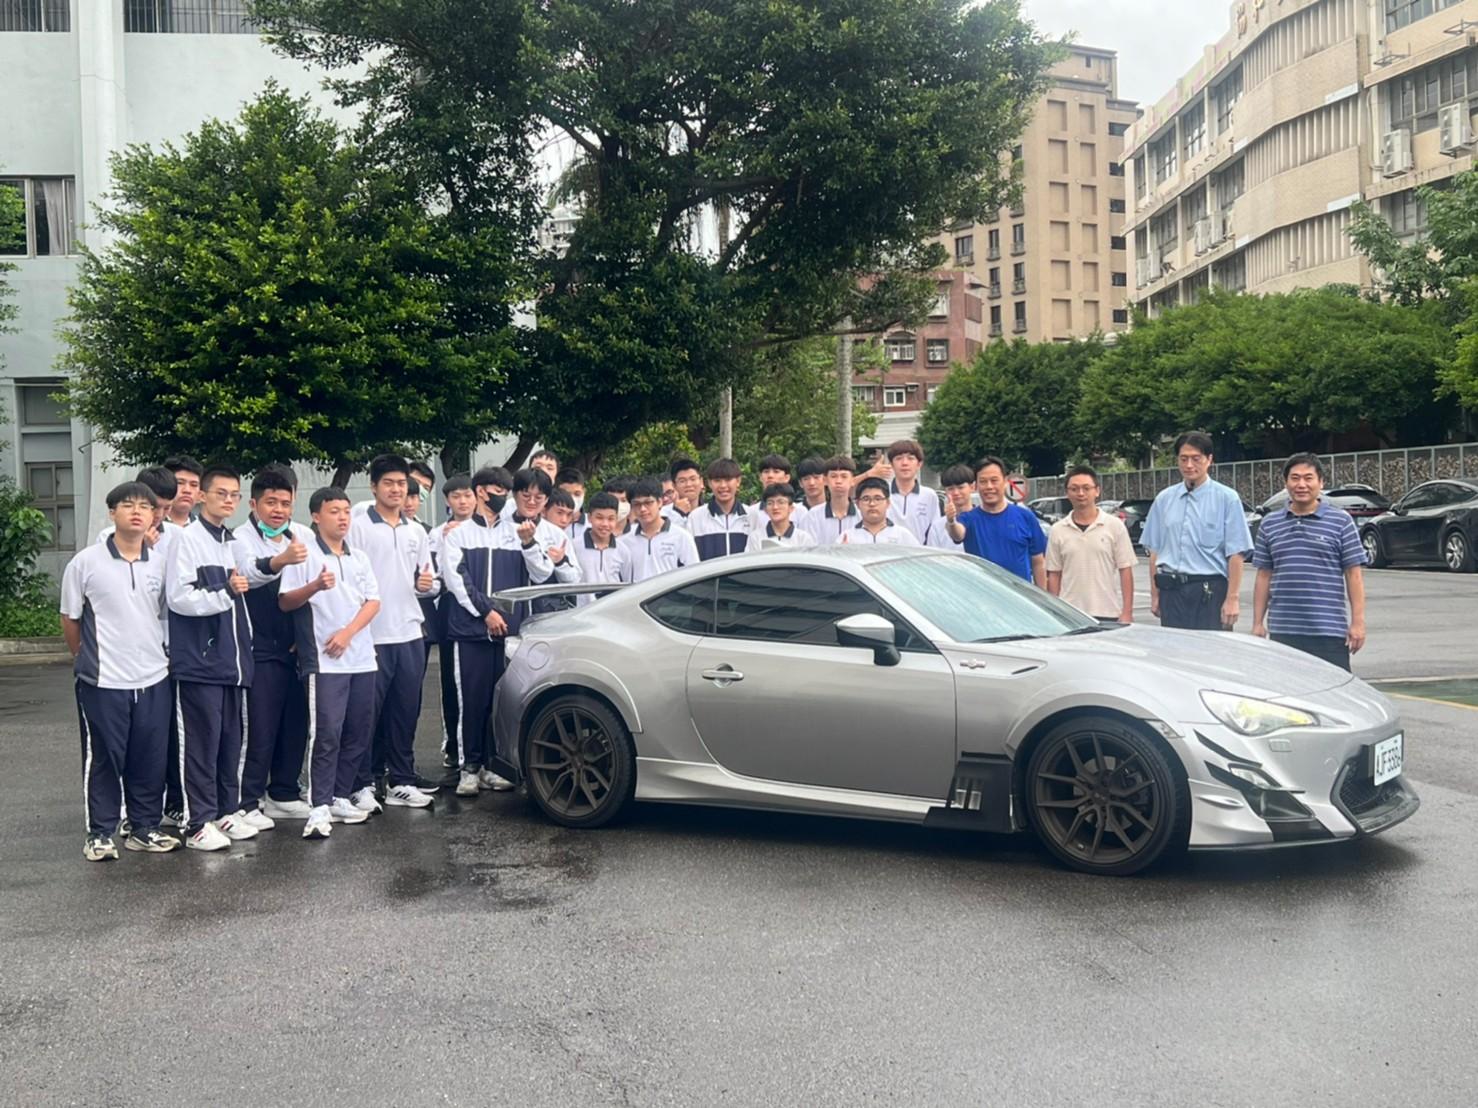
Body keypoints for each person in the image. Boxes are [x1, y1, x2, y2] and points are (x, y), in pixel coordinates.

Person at [440, 468, 578, 797]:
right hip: (471, 630)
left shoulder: (524, 532)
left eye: (538, 497)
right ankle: (469, 767)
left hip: (512, 631)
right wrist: (486, 612)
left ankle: (494, 765)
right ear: (481, 492)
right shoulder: (460, 534)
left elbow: (542, 574)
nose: (505, 497)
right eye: (500, 491)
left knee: (502, 701)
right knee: (471, 700)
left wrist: (529, 543)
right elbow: (457, 580)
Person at [61, 481, 180, 861]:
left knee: (150, 756)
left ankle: (143, 828)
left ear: (154, 515)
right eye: (128, 505)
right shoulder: (86, 562)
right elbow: (70, 617)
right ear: (112, 513)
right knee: (105, 757)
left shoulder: (160, 563)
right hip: (103, 679)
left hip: (153, 677)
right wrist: (83, 657)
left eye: (145, 506)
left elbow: (164, 615)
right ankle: (99, 833)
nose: (137, 512)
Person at [278, 487, 380, 839]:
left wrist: (348, 634)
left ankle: (339, 795)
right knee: (327, 733)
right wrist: (315, 586)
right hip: (324, 661)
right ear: (316, 516)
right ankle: (318, 805)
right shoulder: (305, 555)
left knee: (358, 731)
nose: (342, 518)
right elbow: (286, 602)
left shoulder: (359, 557)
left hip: (361, 657)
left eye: (346, 511)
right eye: (334, 511)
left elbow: (373, 601)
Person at [166, 464, 256, 851]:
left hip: (232, 663)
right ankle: (197, 822)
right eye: (221, 493)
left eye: (234, 495)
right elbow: (179, 598)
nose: (229, 500)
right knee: (200, 745)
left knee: (229, 742)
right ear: (202, 496)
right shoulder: (187, 540)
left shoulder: (230, 541)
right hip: (200, 663)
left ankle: (225, 811)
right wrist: (226, 593)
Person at [349, 454, 440, 812]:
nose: (396, 489)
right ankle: (361, 783)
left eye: (401, 484)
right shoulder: (358, 527)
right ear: (374, 487)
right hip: (371, 634)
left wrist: (426, 585)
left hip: (409, 632)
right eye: (388, 483)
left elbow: (429, 582)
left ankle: (401, 781)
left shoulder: (416, 531)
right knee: (366, 716)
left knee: (405, 712)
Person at [233, 464, 311, 827]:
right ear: (253, 504)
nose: (278, 510)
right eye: (271, 502)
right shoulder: (239, 538)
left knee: (295, 721)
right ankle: (246, 800)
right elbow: (248, 574)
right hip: (258, 647)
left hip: (295, 647)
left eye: (285, 503)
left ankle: (283, 792)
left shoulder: (302, 535)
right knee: (259, 727)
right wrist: (281, 560)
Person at [1251, 453, 1368, 670]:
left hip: (1329, 631)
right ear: (1286, 483)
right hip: (1283, 631)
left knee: (1333, 689)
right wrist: (1258, 623)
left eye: (1308, 478)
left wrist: (1358, 622)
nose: (1301, 484)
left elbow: (1354, 575)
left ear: (1321, 483)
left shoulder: (1341, 522)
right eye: (1295, 478)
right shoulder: (1270, 524)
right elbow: (1264, 576)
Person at [1142, 431, 1253, 631]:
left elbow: (1236, 553)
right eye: (1183, 459)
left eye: (1196, 459)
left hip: (1209, 593)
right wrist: (1155, 594)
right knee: (1172, 648)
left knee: (1211, 649)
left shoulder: (1227, 498)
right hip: (1171, 592)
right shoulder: (1164, 499)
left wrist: (1232, 599)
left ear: (1209, 459)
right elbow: (1154, 551)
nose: (1189, 465)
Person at [429, 475, 478, 786]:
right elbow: (433, 575)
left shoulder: (486, 528)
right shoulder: (437, 533)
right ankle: (453, 746)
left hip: (481, 605)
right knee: (452, 680)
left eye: (467, 495)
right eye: (456, 496)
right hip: (450, 607)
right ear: (447, 501)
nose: (463, 501)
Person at [1045, 465, 1136, 623]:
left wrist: (1127, 612)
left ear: (1097, 491)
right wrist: (1056, 613)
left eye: (1086, 488)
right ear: (1067, 493)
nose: (1080, 493)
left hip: (1107, 612)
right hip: (1070, 614)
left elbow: (1125, 570)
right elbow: (1054, 574)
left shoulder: (1114, 526)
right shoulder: (1058, 530)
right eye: (1074, 489)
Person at [946, 456, 1046, 584]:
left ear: (1005, 482)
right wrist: (951, 521)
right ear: (976, 485)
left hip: (1019, 593)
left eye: (994, 480)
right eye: (983, 481)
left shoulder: (1025, 516)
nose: (989, 486)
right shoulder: (968, 518)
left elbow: (1038, 561)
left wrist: (1041, 594)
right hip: (984, 593)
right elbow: (958, 534)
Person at [620, 478, 701, 581]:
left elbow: (694, 575)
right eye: (637, 504)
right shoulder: (625, 540)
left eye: (648, 503)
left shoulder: (681, 536)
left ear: (659, 502)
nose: (643, 509)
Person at [572, 491, 631, 601]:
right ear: (590, 518)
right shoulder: (575, 546)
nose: (605, 524)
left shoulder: (623, 550)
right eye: (599, 518)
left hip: (612, 607)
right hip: (583, 609)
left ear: (616, 519)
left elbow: (627, 585)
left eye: (610, 519)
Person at [688, 458, 752, 559]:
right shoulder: (696, 517)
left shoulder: (751, 516)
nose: (723, 485)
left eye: (728, 480)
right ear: (709, 483)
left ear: (738, 481)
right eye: (717, 480)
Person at [884, 440, 941, 543]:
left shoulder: (929, 495)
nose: (905, 463)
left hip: (919, 551)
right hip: (888, 550)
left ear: (919, 464)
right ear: (891, 464)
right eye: (899, 458)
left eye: (910, 458)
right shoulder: (882, 492)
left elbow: (935, 530)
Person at [839, 477, 921, 545]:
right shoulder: (848, 536)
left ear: (888, 503)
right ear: (857, 504)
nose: (872, 504)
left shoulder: (902, 535)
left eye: (878, 499)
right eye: (866, 499)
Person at [802, 456, 861, 543]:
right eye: (833, 476)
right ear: (825, 480)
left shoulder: (861, 515)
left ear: (852, 480)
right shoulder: (813, 516)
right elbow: (807, 548)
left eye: (844, 476)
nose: (838, 481)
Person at [746, 484, 816, 551]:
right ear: (766, 510)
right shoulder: (755, 537)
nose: (775, 507)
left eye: (781, 502)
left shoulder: (803, 538)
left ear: (791, 508)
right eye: (770, 503)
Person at [926, 465, 975, 550]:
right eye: (951, 489)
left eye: (960, 487)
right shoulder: (937, 527)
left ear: (972, 487)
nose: (956, 493)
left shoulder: (983, 520)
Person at [746, 454, 793, 519]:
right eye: (766, 472)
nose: (770, 475)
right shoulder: (751, 512)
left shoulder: (799, 512)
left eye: (776, 472)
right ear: (760, 477)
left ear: (786, 478)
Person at [162, 455, 203, 529]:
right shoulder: (148, 525)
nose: (187, 490)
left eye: (194, 485)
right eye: (180, 483)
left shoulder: (204, 530)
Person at [665, 458, 704, 526]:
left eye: (693, 479)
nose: (688, 484)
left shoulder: (710, 512)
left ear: (701, 482)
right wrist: (678, 513)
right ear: (674, 486)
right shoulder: (664, 514)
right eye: (682, 481)